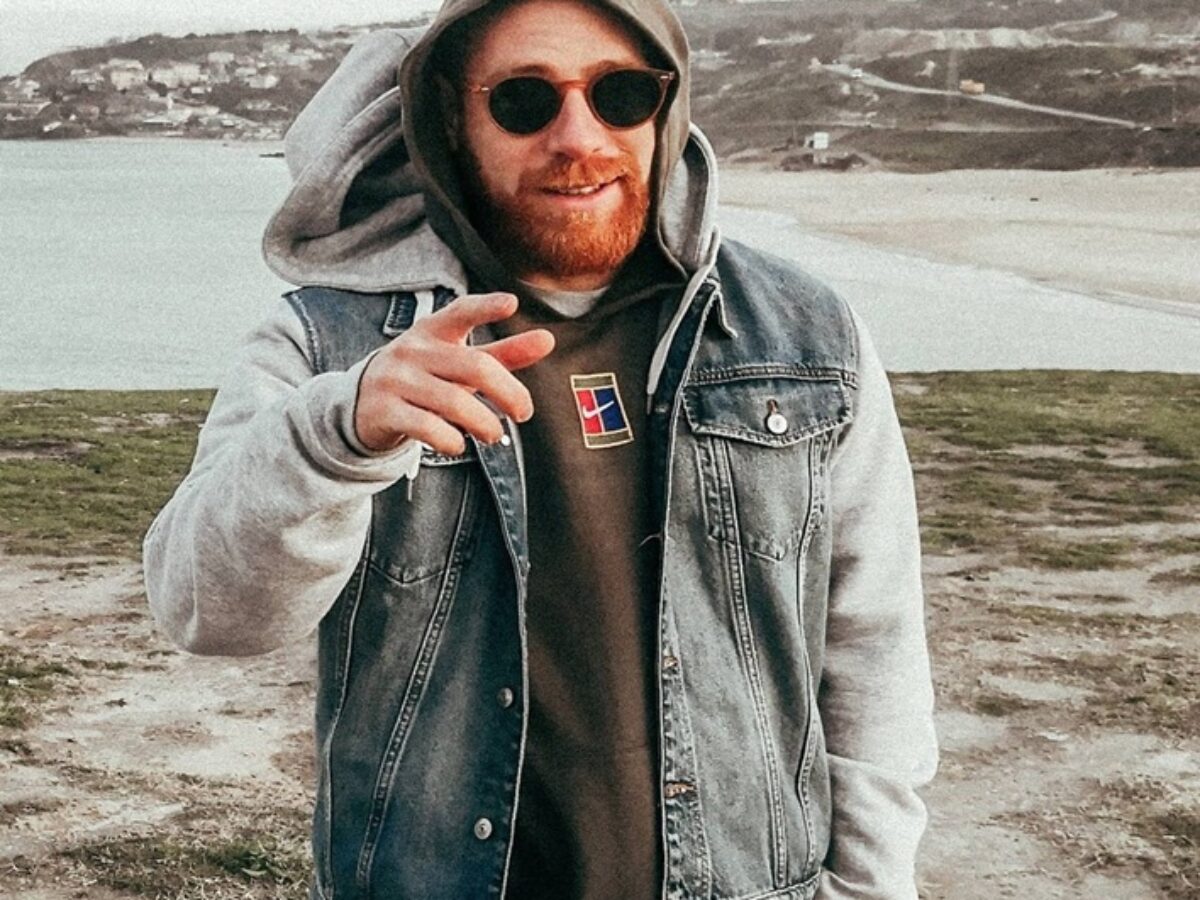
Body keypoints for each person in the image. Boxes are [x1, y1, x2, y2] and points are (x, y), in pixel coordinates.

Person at [143, 0, 938, 897]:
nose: (578, 136)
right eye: (524, 101)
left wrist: (870, 887)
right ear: (453, 120)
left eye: (620, 95)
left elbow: (875, 647)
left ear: (667, 108)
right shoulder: (327, 345)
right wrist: (336, 437)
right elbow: (205, 611)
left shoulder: (805, 334)